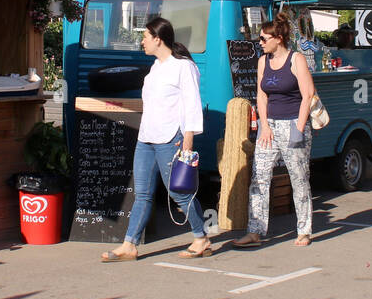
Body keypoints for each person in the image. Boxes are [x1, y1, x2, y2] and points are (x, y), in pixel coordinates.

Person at [101, 17, 210, 262]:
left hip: (171, 137)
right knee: (142, 194)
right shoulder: (155, 68)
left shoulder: (183, 66)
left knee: (179, 191)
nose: (142, 42)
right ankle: (130, 244)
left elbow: (192, 102)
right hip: (146, 137)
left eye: (145, 37)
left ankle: (201, 236)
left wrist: (189, 136)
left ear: (158, 39)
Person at [232, 17, 317, 248]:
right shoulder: (263, 61)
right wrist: (264, 125)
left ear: (278, 39)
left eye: (263, 38)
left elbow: (307, 94)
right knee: (259, 176)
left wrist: (299, 128)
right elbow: (261, 95)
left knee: (299, 178)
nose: (259, 42)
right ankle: (255, 230)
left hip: (293, 124)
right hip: (269, 125)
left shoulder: (296, 59)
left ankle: (304, 230)